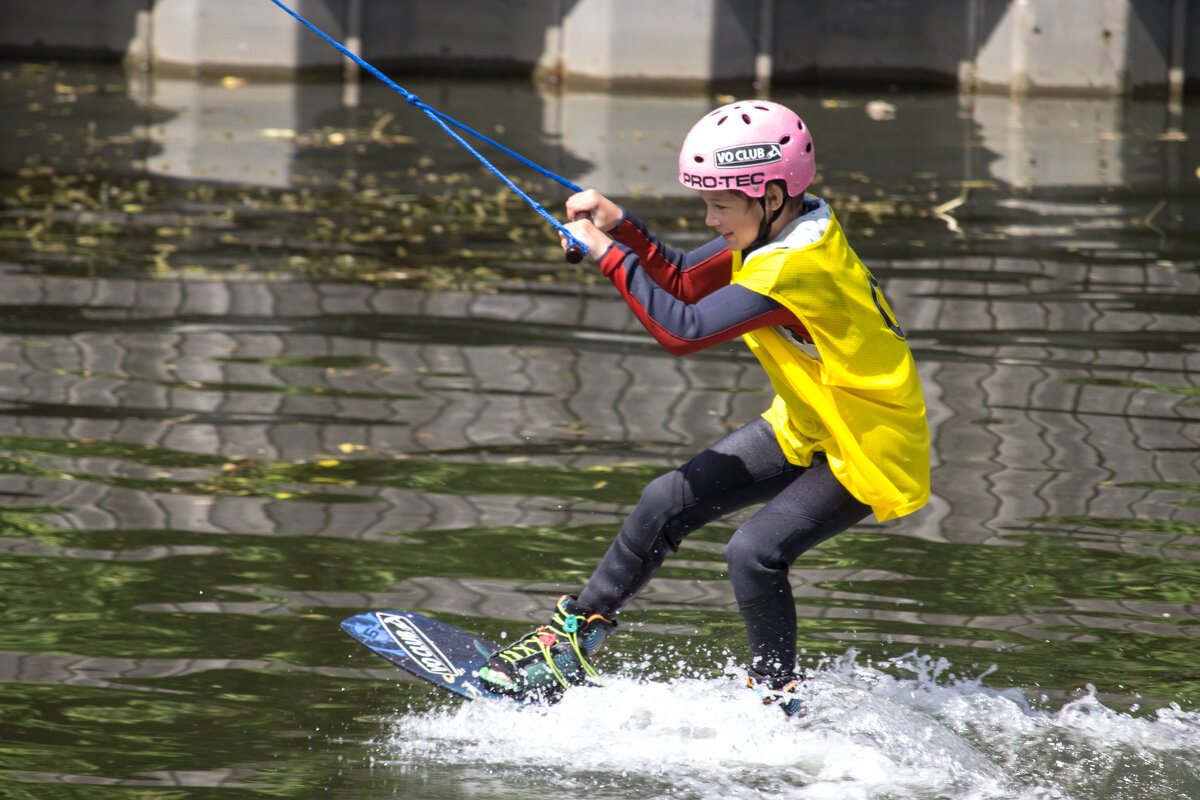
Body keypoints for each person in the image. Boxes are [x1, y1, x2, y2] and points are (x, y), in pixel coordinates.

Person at [477, 100, 930, 715]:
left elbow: (682, 331)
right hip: (810, 421)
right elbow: (686, 281)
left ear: (770, 195)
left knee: (753, 552)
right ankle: (570, 642)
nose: (710, 219)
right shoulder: (791, 225)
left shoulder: (798, 265)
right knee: (665, 499)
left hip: (871, 442)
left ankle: (777, 700)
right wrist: (621, 226)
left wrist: (607, 254)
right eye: (705, 202)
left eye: (721, 204)